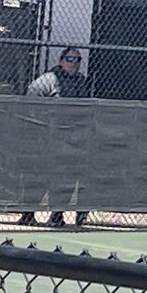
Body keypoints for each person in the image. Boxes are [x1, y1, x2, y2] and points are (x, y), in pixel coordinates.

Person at [18, 47, 91, 227]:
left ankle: (57, 215)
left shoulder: (81, 82)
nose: (73, 63)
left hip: (70, 140)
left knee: (64, 178)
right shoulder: (47, 81)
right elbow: (31, 104)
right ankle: (28, 215)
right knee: (38, 177)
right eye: (70, 58)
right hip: (46, 139)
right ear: (61, 60)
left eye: (77, 60)